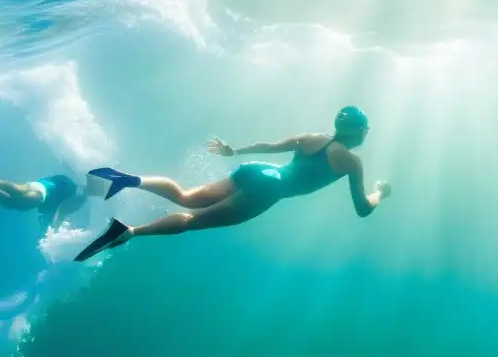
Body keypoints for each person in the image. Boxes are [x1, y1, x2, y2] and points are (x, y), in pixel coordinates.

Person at [74, 106, 391, 262]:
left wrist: (233, 151)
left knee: (185, 197)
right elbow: (363, 208)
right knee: (191, 221)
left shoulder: (313, 138)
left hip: (258, 170)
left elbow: (269, 146)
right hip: (270, 189)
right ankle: (128, 232)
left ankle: (129, 180)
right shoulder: (351, 161)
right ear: (359, 131)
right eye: (366, 130)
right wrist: (380, 192)